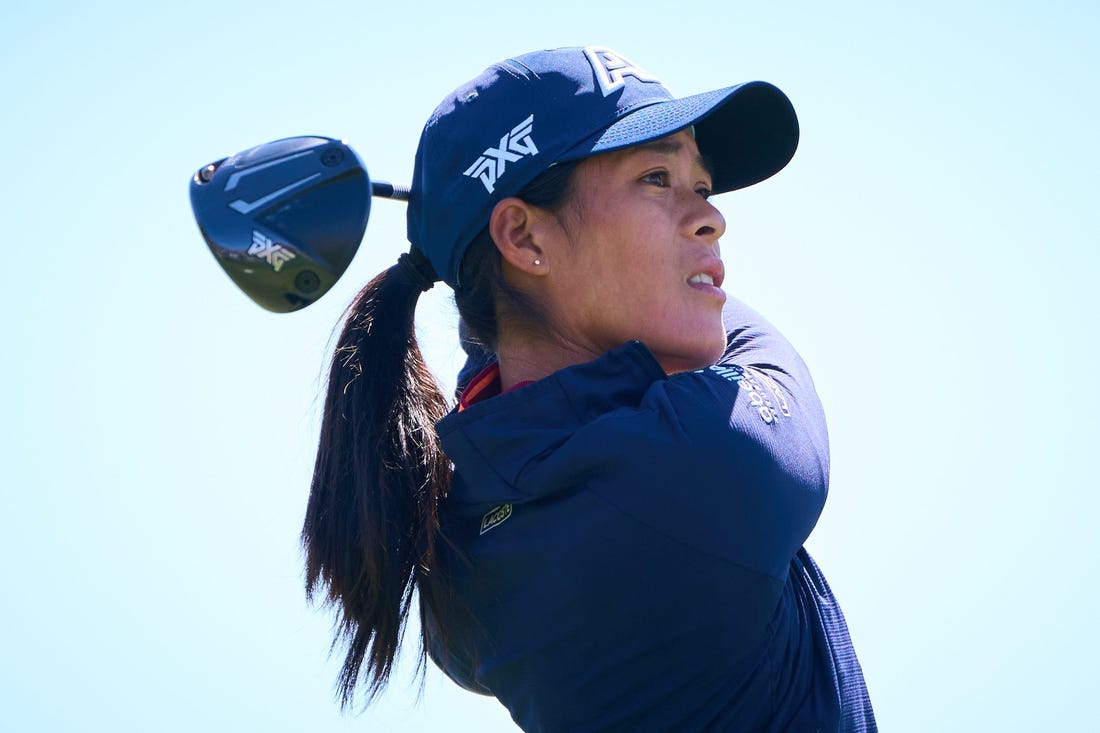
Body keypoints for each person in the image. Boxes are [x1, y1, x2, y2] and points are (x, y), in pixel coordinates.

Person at [302, 46, 877, 732]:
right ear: (522, 235)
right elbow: (746, 345)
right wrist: (501, 286)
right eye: (658, 176)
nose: (710, 218)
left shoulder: (460, 536)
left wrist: (494, 277)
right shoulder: (710, 461)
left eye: (703, 184)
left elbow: (512, 380)